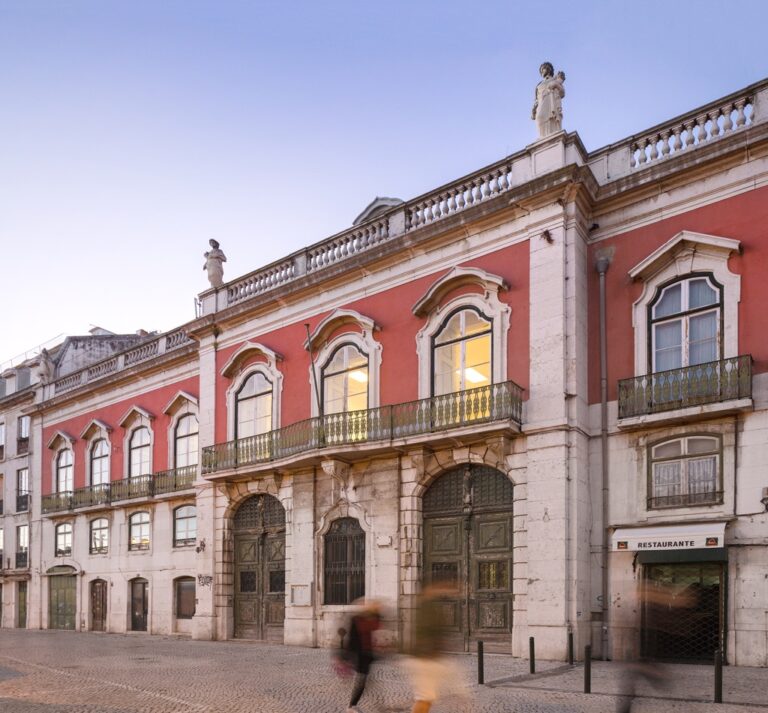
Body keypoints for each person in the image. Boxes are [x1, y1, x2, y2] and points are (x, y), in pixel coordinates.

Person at [406, 584, 469, 713]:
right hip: (425, 658)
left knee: (427, 698)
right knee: (424, 698)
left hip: (430, 657)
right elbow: (425, 632)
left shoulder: (427, 605)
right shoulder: (427, 606)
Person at [340, 600, 382, 713]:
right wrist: (346, 657)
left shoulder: (370, 619)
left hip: (367, 654)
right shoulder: (358, 619)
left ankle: (353, 704)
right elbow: (352, 640)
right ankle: (351, 706)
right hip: (360, 655)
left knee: (364, 680)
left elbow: (377, 625)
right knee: (361, 680)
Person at [531, 62, 566, 138]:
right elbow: (536, 100)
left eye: (542, 69)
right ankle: (542, 139)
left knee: (552, 120)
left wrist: (556, 84)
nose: (541, 72)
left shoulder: (555, 79)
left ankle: (555, 138)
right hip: (541, 104)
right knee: (539, 118)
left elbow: (562, 93)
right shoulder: (538, 85)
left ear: (548, 69)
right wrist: (533, 110)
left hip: (551, 102)